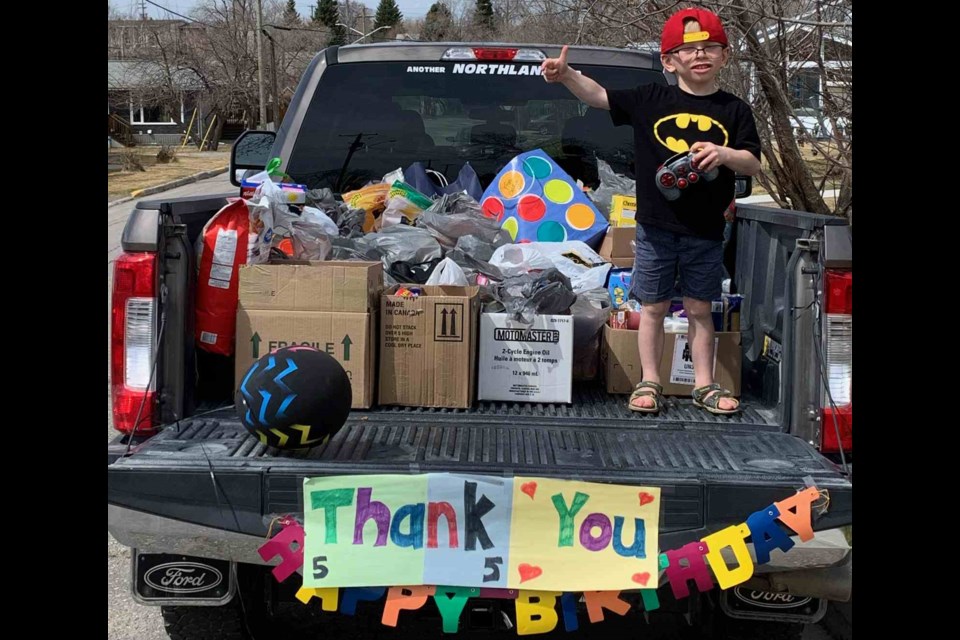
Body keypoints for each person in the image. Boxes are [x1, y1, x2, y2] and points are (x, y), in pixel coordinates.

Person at [542, 8, 761, 415]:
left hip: (707, 229)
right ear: (668, 60)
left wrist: (726, 153)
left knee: (700, 309)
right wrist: (567, 75)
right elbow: (599, 96)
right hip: (656, 227)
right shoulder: (649, 99)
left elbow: (752, 164)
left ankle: (704, 385)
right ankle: (649, 381)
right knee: (653, 307)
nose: (701, 55)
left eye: (711, 48)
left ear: (725, 56)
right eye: (688, 49)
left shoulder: (735, 110)